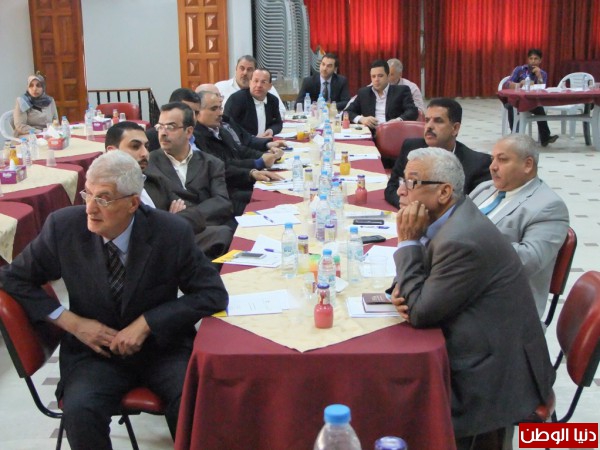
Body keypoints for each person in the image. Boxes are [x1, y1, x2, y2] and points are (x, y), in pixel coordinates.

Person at [0, 151, 228, 450]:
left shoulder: (170, 232)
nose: (90, 209)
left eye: (104, 199)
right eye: (88, 194)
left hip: (162, 348)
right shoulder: (64, 227)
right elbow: (13, 279)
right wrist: (71, 322)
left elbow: (212, 294)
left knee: (194, 401)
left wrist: (148, 323)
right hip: (95, 353)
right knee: (81, 410)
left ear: (133, 203)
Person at [390, 147, 555, 449]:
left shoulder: (461, 240)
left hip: (491, 376)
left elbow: (420, 312)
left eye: (412, 182)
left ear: (444, 192)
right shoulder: (452, 217)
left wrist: (408, 242)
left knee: (392, 391)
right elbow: (416, 291)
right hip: (483, 343)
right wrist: (408, 288)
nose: (401, 190)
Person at [470, 134, 569, 317]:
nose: (493, 167)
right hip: (464, 286)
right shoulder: (485, 188)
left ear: (528, 164)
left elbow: (528, 261)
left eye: (502, 160)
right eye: (492, 159)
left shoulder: (548, 206)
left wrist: (470, 243)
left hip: (505, 307)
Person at [105, 121, 233, 258]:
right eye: (135, 146)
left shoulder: (153, 180)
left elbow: (194, 216)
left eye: (146, 147)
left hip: (169, 244)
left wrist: (170, 221)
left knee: (223, 234)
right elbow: (132, 236)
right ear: (112, 152)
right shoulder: (105, 192)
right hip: (140, 256)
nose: (144, 153)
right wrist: (170, 219)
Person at [145, 102, 235, 237]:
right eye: (160, 127)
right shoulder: (149, 164)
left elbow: (222, 202)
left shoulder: (211, 163)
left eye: (170, 127)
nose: (163, 133)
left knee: (225, 233)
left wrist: (183, 217)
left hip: (207, 231)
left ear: (188, 132)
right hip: (170, 235)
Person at [385, 98, 491, 208]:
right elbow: (392, 187)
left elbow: (472, 208)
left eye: (438, 121)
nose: (429, 126)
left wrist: (422, 209)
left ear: (455, 128)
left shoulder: (477, 164)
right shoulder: (411, 148)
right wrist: (408, 205)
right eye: (427, 120)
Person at [194, 86, 284, 215]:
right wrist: (254, 168)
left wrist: (265, 155)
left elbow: (240, 151)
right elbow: (222, 167)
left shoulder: (220, 130)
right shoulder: (197, 138)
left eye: (220, 108)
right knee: (274, 203)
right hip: (225, 195)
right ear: (197, 112)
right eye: (214, 109)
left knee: (279, 195)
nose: (220, 113)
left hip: (240, 184)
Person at [345, 59, 418, 131]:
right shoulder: (364, 93)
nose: (376, 79)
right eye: (373, 76)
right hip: (371, 133)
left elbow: (412, 111)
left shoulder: (401, 91)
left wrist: (398, 120)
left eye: (380, 76)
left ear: (388, 76)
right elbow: (347, 112)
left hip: (394, 131)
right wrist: (362, 119)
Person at [506, 48, 558, 147]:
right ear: (528, 59)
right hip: (516, 100)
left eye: (536, 59)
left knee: (540, 109)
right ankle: (515, 136)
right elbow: (507, 83)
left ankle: (545, 138)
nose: (533, 61)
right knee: (510, 106)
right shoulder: (520, 70)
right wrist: (519, 84)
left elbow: (542, 89)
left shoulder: (542, 73)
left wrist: (539, 77)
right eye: (531, 58)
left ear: (540, 60)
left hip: (531, 101)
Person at [214, 54, 287, 118]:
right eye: (242, 68)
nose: (245, 73)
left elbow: (281, 111)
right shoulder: (220, 88)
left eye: (249, 70)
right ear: (236, 69)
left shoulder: (265, 87)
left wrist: (261, 119)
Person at [224, 68, 284, 137]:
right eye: (256, 81)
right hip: (243, 142)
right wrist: (253, 139)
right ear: (250, 83)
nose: (259, 85)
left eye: (263, 82)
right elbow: (228, 127)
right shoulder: (236, 99)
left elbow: (278, 123)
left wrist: (271, 130)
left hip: (266, 141)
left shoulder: (273, 100)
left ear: (270, 86)